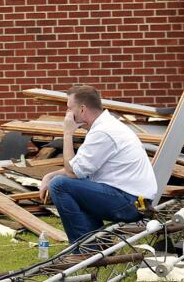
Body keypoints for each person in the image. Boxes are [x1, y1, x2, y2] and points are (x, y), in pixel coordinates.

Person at [39, 84, 159, 243]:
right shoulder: (105, 126)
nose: (67, 114)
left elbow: (72, 172)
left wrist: (67, 133)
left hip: (130, 202)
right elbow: (79, 168)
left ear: (82, 109)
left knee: (59, 186)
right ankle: (96, 245)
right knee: (74, 183)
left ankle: (84, 250)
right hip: (134, 199)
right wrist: (50, 174)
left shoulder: (103, 132)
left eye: (69, 108)